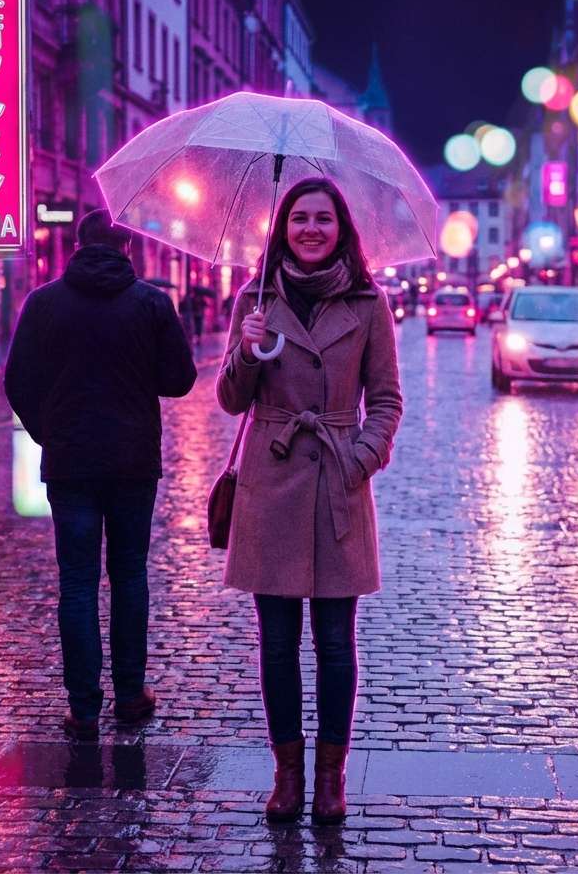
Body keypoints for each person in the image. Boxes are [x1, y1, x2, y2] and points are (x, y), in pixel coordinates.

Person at [217, 177, 403, 825]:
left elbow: (385, 400)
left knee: (334, 642)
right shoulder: (255, 296)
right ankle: (287, 775)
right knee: (275, 643)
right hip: (271, 485)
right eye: (300, 219)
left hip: (337, 481)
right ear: (283, 227)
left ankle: (331, 778)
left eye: (323, 218)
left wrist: (359, 457)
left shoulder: (368, 303)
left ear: (341, 227)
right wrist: (245, 348)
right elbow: (230, 399)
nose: (311, 229)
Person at [4, 209, 197, 740]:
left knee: (78, 581)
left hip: (70, 463)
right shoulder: (153, 303)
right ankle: (131, 695)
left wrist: (52, 432)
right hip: (133, 462)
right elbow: (179, 380)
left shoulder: (43, 303)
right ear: (128, 249)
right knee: (130, 575)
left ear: (77, 245)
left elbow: (17, 381)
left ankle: (83, 707)